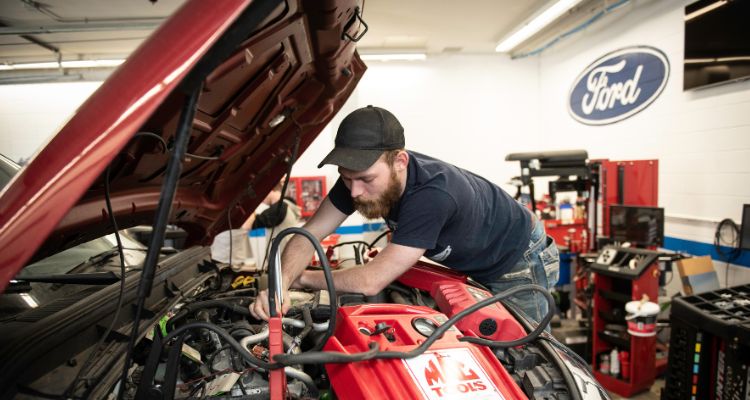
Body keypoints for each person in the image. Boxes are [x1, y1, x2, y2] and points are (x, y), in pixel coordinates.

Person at [249, 105, 559, 328]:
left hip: (519, 260)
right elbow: (309, 233)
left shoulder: (433, 195)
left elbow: (371, 281)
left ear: (400, 161)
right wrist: (280, 286)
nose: (354, 191)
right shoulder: (357, 180)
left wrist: (302, 279)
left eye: (366, 180)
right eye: (346, 178)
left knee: (522, 358)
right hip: (477, 260)